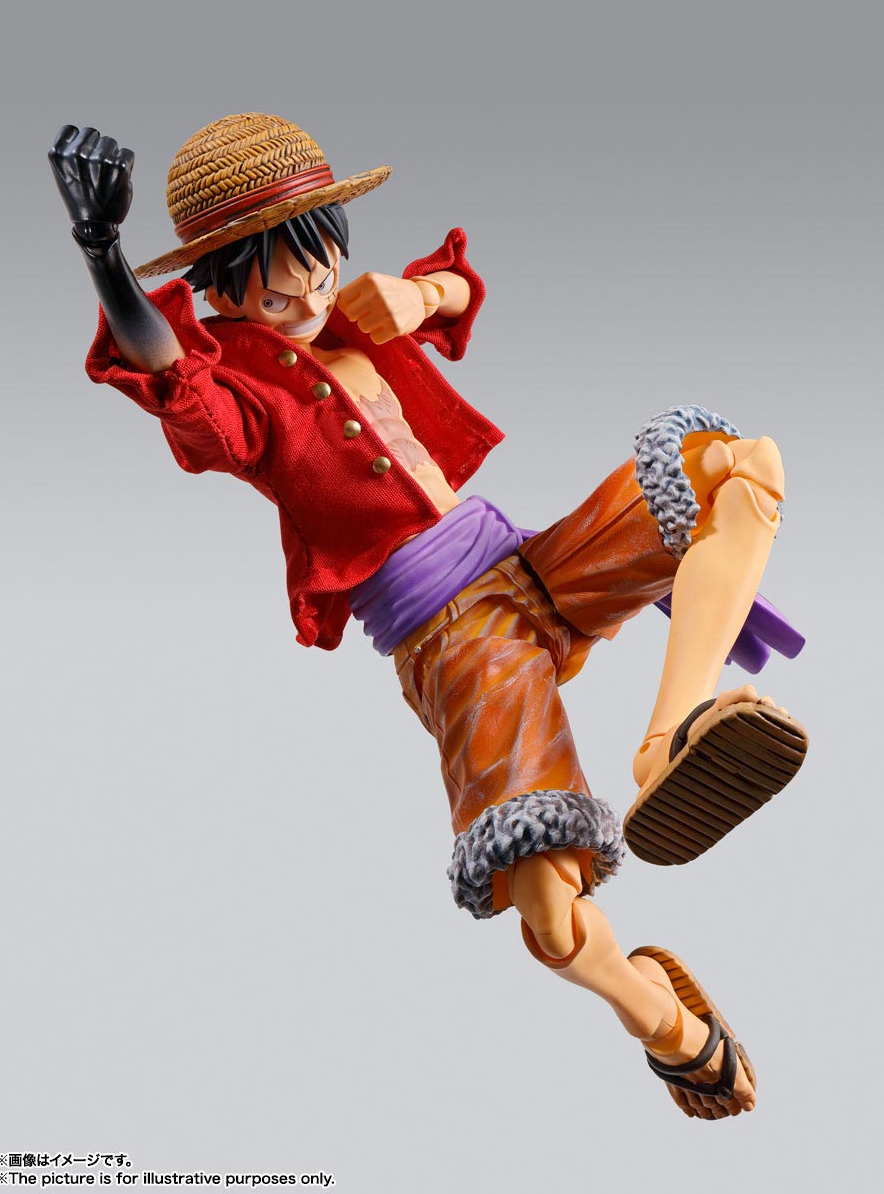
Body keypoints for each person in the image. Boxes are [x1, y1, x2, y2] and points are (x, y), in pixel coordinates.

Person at [49, 113, 808, 1120]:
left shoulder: (353, 317)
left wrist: (421, 294)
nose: (309, 304)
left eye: (320, 273)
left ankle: (670, 737)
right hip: (455, 638)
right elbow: (169, 379)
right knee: (546, 902)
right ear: (222, 292)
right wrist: (102, 255)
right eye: (277, 296)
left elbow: (451, 290)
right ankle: (664, 1023)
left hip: (528, 563)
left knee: (731, 466)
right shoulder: (245, 394)